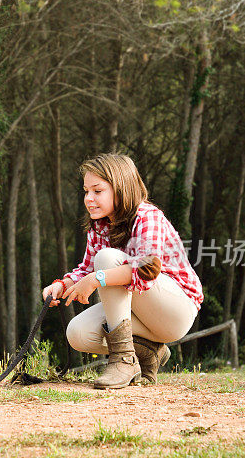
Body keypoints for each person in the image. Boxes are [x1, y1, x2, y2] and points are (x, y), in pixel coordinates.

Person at [42, 154, 203, 389]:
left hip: (175, 310)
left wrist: (97, 279)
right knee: (77, 333)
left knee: (107, 258)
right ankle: (149, 353)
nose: (89, 199)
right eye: (86, 191)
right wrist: (62, 285)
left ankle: (123, 360)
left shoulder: (147, 217)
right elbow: (86, 268)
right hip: (140, 312)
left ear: (120, 187)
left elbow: (146, 271)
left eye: (97, 191)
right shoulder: (99, 226)